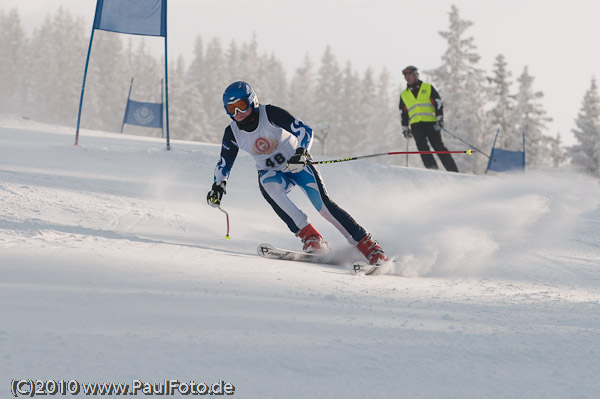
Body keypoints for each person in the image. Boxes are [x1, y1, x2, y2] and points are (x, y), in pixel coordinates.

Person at [207, 81, 388, 266]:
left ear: (252, 101)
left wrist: (301, 153)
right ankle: (311, 237)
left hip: (298, 166)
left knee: (323, 207)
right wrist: (218, 185)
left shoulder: (270, 114)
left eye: (241, 106)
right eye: (232, 109)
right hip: (274, 174)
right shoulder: (233, 133)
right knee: (267, 184)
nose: (238, 113)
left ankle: (370, 247)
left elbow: (305, 131)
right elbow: (224, 163)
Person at [399, 65, 459, 172]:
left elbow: (438, 103)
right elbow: (403, 113)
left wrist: (439, 118)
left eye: (410, 75)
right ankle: (434, 173)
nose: (407, 77)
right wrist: (404, 127)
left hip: (431, 123)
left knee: (438, 147)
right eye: (405, 75)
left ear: (415, 75)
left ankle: (454, 172)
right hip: (416, 126)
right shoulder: (404, 95)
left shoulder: (427, 88)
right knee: (423, 150)